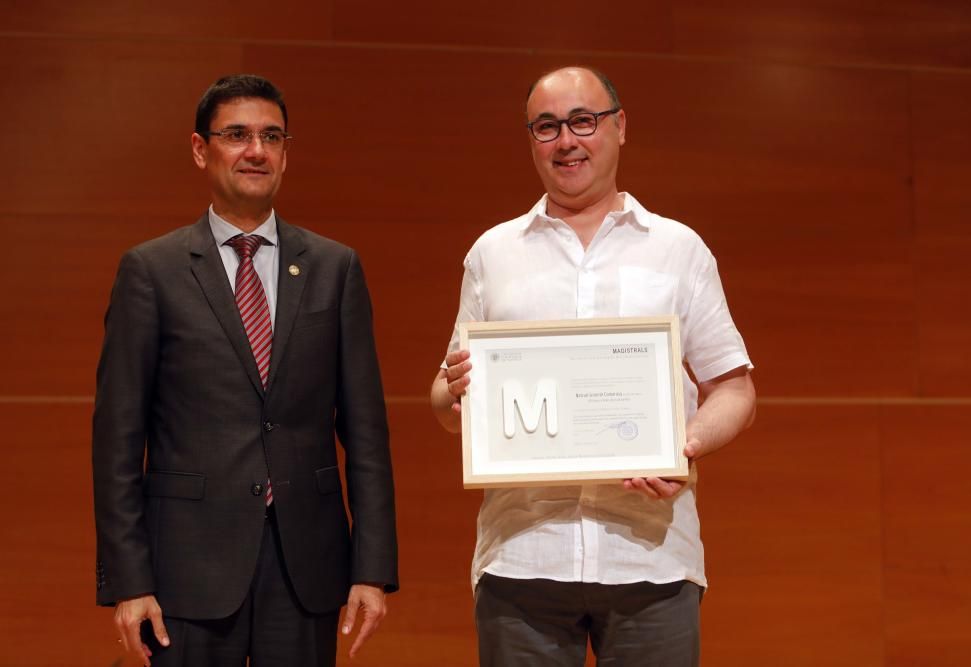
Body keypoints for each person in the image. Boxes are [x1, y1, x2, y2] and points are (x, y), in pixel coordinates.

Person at [430, 66, 756, 666]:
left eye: (583, 120)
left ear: (619, 126)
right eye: (547, 127)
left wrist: (682, 446)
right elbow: (450, 401)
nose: (566, 140)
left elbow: (734, 389)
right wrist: (449, 393)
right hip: (523, 559)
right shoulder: (493, 253)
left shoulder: (678, 249)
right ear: (532, 140)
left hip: (651, 560)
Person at [93, 74, 398, 667]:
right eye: (237, 135)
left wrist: (373, 569)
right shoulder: (151, 271)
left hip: (306, 569)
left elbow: (365, 432)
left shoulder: (335, 269)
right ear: (201, 150)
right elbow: (117, 443)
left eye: (271, 136)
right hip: (184, 571)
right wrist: (128, 582)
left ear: (286, 153)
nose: (256, 150)